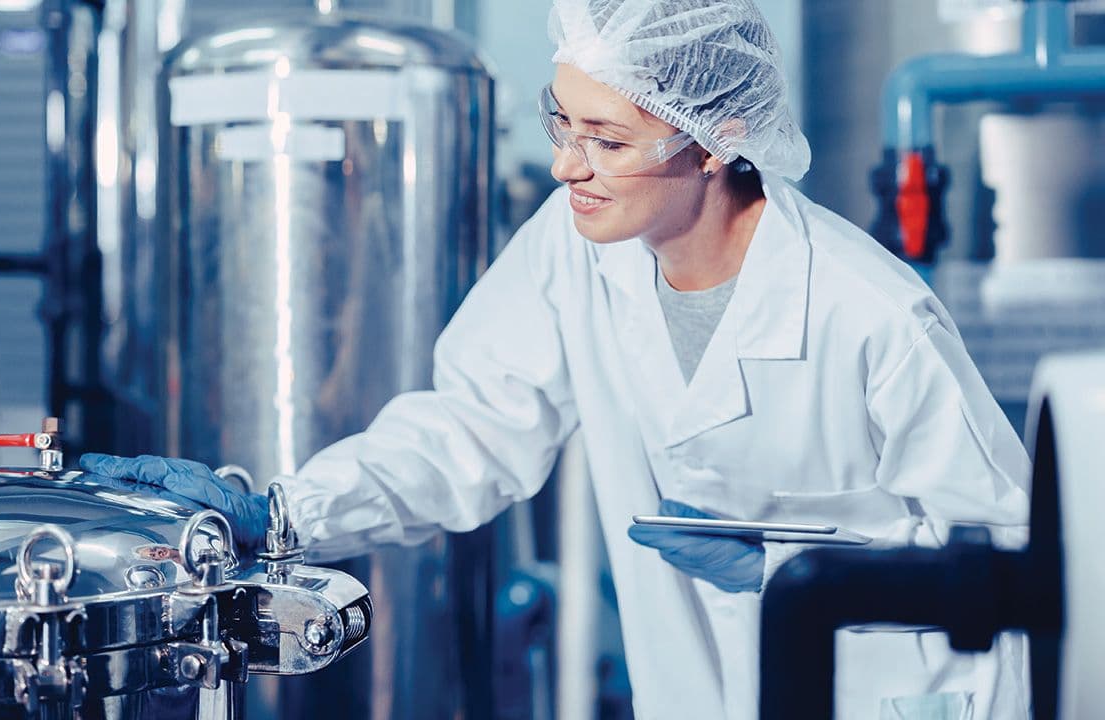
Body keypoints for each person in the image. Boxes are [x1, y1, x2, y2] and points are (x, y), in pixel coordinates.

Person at [81, 0, 1032, 717]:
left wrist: (803, 569)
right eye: (561, 122)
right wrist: (283, 512)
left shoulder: (873, 314)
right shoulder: (578, 241)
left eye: (608, 139)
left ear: (716, 142)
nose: (568, 165)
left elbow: (1020, 563)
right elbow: (472, 429)